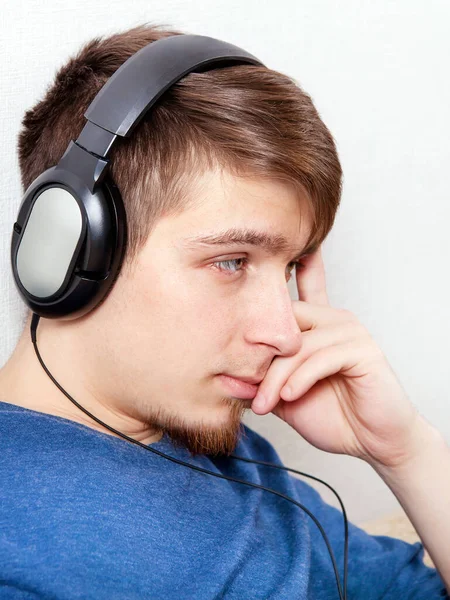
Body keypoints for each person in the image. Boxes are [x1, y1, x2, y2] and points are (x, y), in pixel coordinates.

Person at [0, 22, 448, 600]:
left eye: (287, 270)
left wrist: (406, 451)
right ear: (68, 248)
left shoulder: (229, 452)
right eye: (232, 262)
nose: (285, 333)